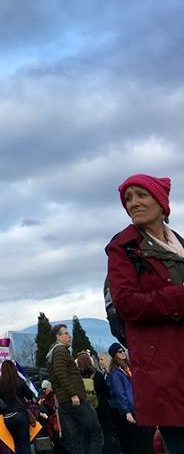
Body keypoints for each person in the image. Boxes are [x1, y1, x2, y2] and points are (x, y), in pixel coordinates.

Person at [106, 175, 184, 454]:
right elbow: (126, 304)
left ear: (162, 204)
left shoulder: (180, 245)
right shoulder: (123, 248)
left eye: (141, 195)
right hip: (164, 369)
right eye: (128, 198)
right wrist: (179, 297)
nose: (133, 203)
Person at [47, 324, 103, 454]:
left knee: (76, 439)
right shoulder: (60, 351)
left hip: (64, 402)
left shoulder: (53, 353)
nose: (70, 336)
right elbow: (61, 374)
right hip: (74, 400)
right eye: (66, 333)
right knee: (96, 432)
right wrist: (73, 394)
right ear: (58, 337)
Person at [107, 344, 153, 454]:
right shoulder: (116, 373)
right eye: (119, 351)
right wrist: (126, 411)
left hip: (140, 406)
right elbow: (120, 392)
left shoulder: (128, 367)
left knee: (148, 436)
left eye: (123, 350)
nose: (123, 353)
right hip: (131, 409)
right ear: (114, 355)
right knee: (140, 439)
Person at [0, 360, 35, 454]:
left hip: (7, 417)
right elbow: (29, 395)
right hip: (20, 414)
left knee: (16, 442)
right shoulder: (19, 381)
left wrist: (1, 408)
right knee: (24, 442)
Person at [38, 380, 66, 454]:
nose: (44, 390)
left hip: (57, 422)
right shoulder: (42, 398)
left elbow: (56, 408)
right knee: (54, 442)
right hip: (49, 424)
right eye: (42, 389)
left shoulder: (54, 396)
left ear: (50, 388)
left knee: (60, 441)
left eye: (45, 388)